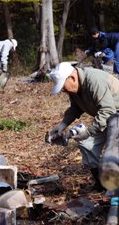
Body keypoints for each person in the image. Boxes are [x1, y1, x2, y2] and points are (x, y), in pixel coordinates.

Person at [47, 62, 119, 190]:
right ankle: (102, 184)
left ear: (72, 78)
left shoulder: (95, 81)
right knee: (86, 143)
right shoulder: (75, 88)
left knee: (112, 151)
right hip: (107, 118)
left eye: (63, 87)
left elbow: (108, 110)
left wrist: (89, 131)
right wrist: (62, 125)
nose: (63, 90)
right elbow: (76, 107)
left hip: (115, 115)